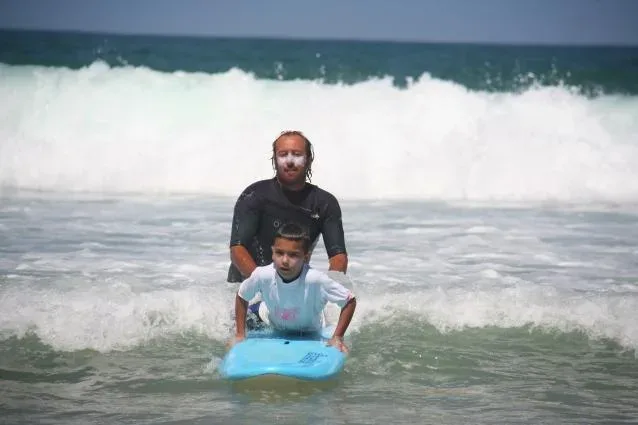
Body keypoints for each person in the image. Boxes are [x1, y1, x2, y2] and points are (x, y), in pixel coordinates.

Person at [227, 130, 348, 283]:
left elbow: (338, 258)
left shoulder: (324, 203)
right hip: (244, 287)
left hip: (294, 289)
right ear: (274, 160)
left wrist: (329, 292)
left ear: (309, 159)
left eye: (297, 154)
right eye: (283, 155)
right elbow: (237, 249)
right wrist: (263, 286)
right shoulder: (254, 195)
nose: (290, 161)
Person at [232, 222, 356, 353]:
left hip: (308, 330)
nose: (285, 260)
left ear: (305, 257)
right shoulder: (262, 274)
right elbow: (241, 295)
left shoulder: (316, 280)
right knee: (233, 321)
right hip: (267, 319)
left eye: (293, 255)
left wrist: (337, 337)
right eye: (279, 253)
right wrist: (240, 334)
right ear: (272, 252)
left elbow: (349, 300)